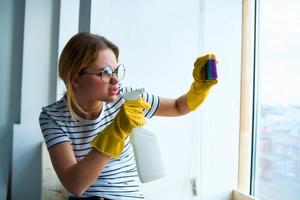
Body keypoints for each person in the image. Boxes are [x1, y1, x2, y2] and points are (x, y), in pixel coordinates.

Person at [39, 32, 218, 200]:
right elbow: (75, 184)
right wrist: (115, 132)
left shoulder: (126, 98)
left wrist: (199, 87)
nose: (116, 80)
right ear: (76, 79)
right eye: (105, 73)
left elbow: (178, 107)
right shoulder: (52, 117)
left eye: (116, 71)